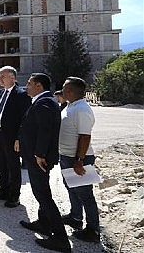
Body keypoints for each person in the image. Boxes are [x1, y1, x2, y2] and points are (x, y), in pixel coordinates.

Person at [16, 73, 71, 253]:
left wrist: (39, 154)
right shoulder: (43, 100)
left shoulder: (45, 102)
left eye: (29, 83)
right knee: (41, 192)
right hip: (37, 156)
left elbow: (45, 131)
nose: (26, 86)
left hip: (40, 159)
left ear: (39, 86)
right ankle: (43, 223)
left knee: (43, 195)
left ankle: (61, 239)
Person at [59, 77, 101, 243]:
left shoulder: (82, 109)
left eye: (64, 87)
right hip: (67, 156)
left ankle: (93, 230)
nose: (62, 90)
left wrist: (80, 160)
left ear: (70, 90)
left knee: (85, 194)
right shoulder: (71, 106)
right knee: (71, 188)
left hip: (77, 158)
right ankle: (75, 217)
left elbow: (85, 137)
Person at [0, 66, 31, 208]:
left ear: (12, 77)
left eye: (2, 76)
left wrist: (19, 138)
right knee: (1, 164)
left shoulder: (21, 94)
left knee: (13, 166)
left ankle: (14, 195)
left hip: (12, 137)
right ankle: (4, 190)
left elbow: (25, 119)